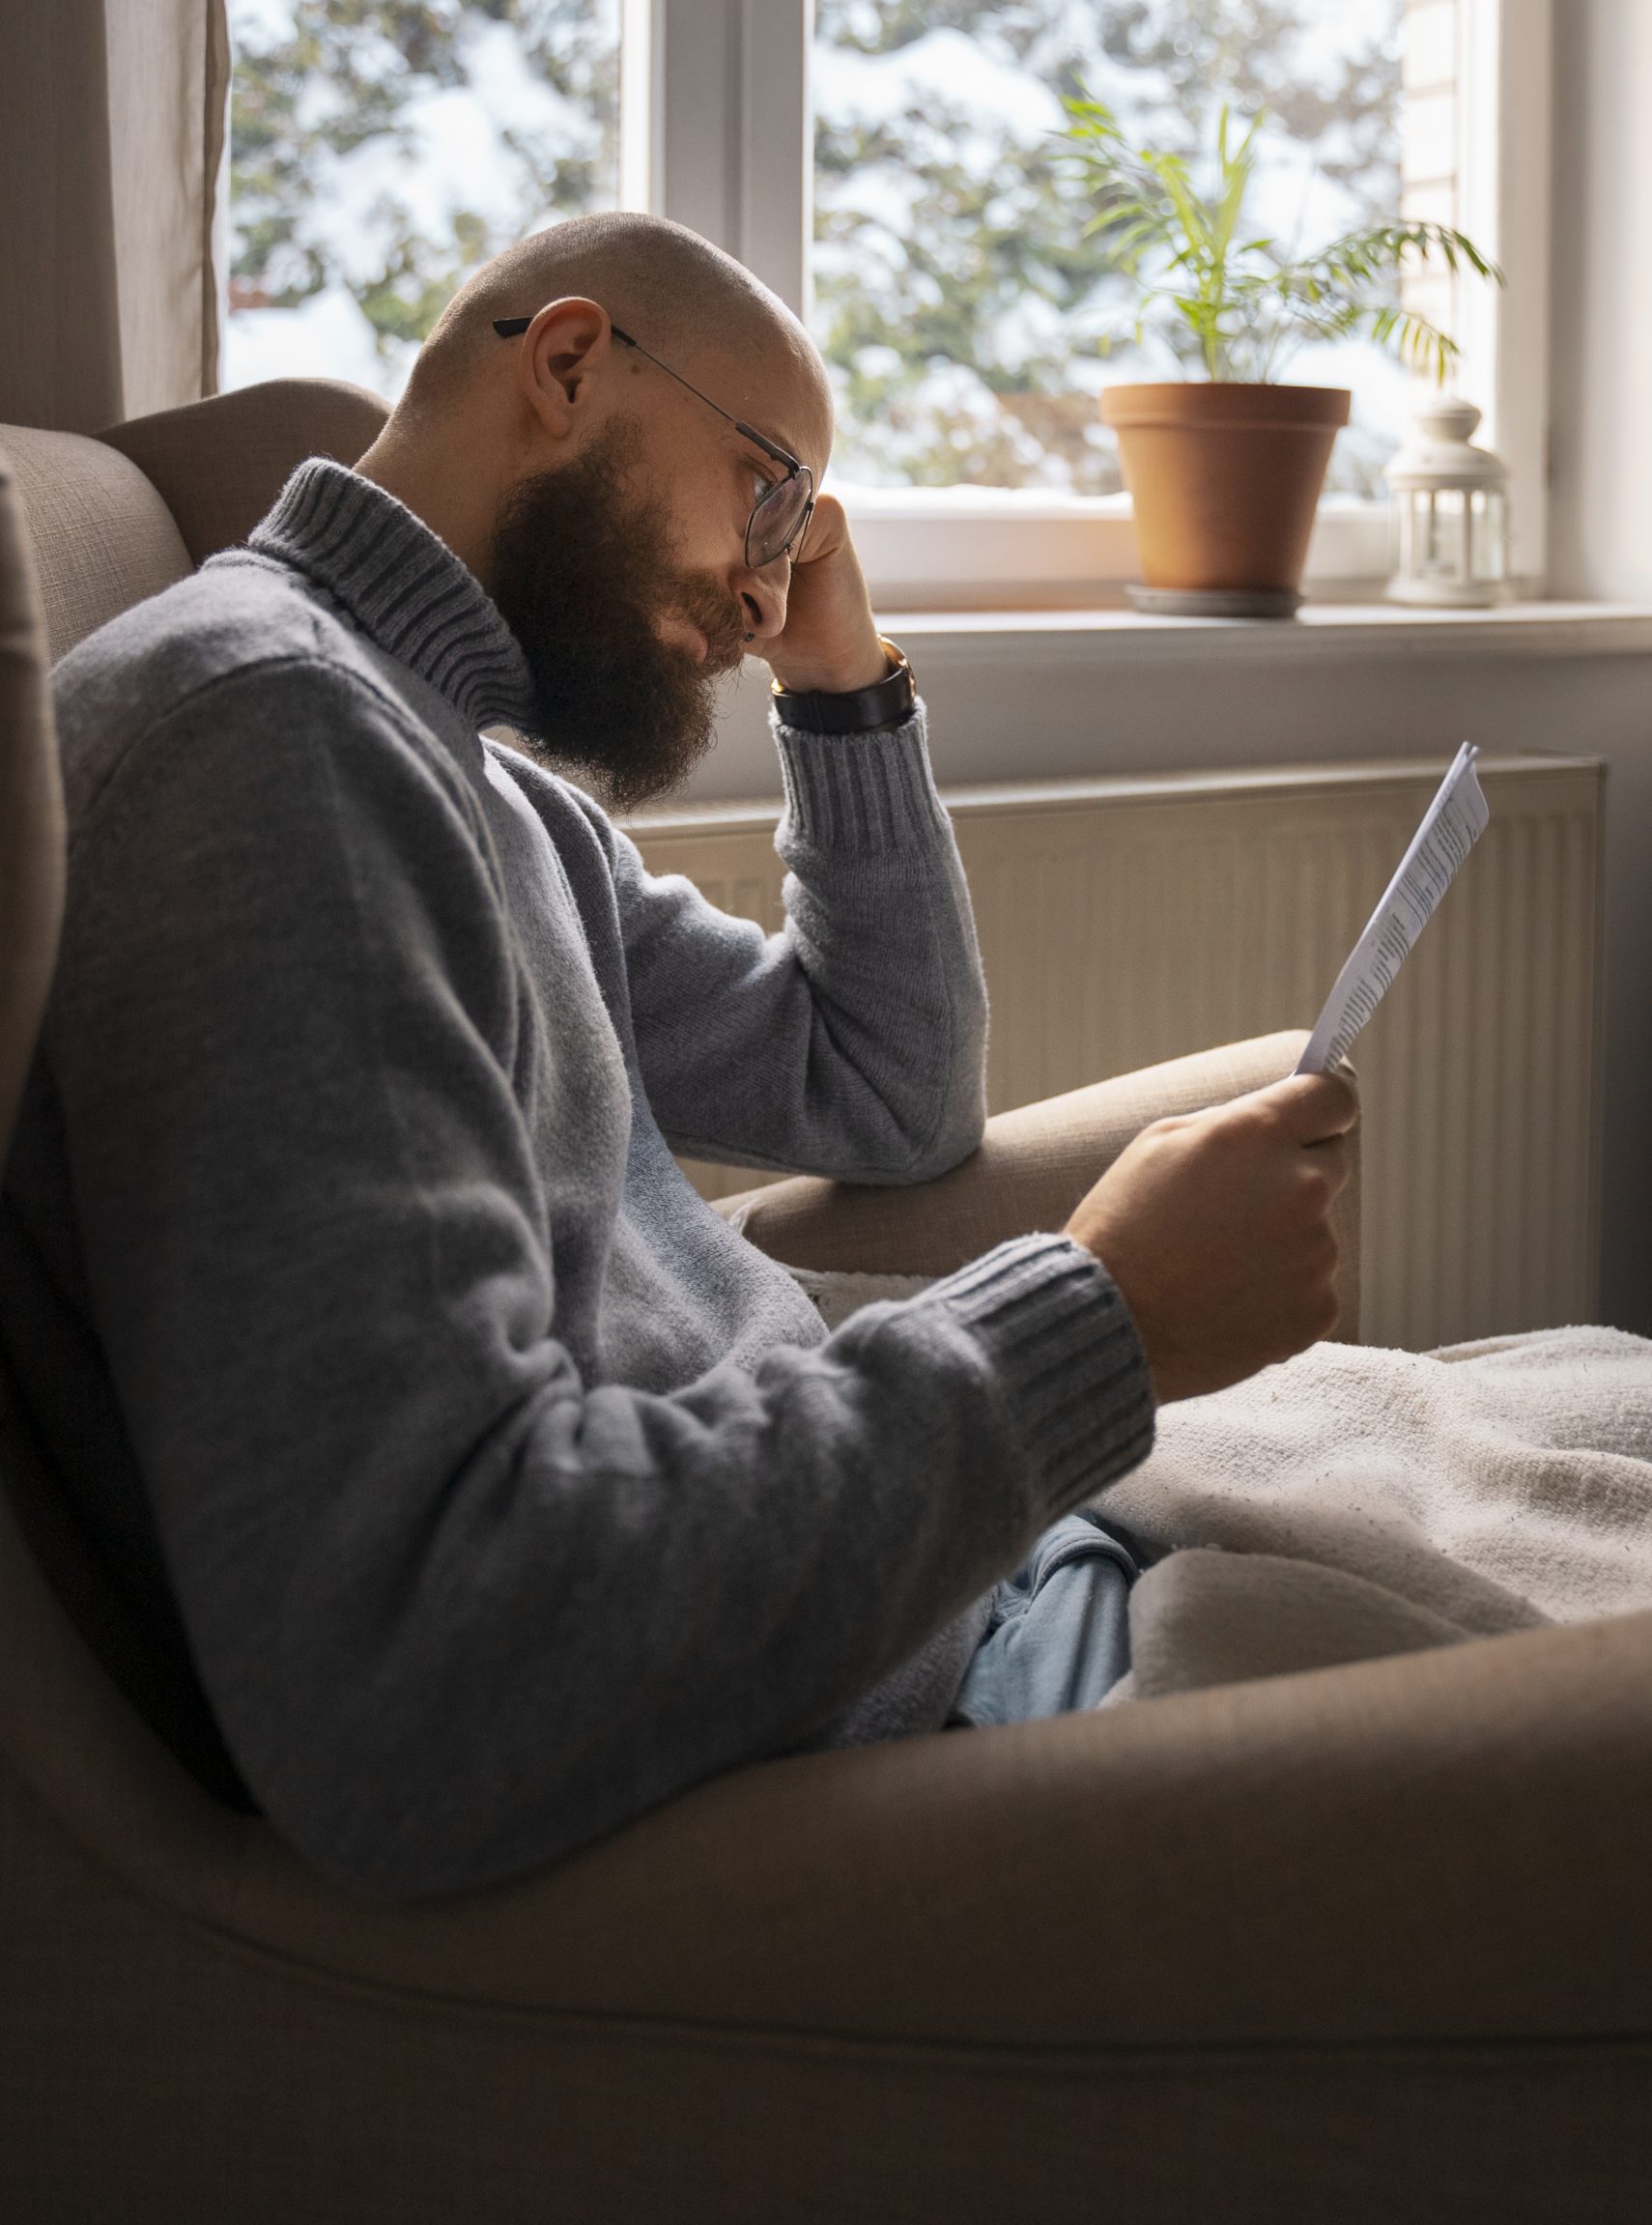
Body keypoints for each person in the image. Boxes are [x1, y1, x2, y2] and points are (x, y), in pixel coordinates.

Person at [0, 214, 1355, 1897]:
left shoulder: (466, 778)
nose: (767, 585)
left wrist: (843, 686)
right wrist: (1105, 1323)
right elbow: (426, 1675)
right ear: (569, 366)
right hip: (900, 1721)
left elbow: (885, 1085)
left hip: (935, 1585)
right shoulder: (276, 749)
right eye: (767, 489)